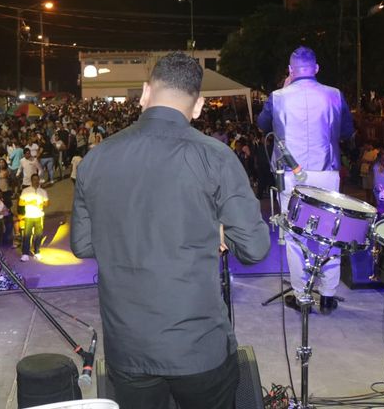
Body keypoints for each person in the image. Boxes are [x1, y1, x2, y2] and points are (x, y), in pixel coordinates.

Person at [71, 52, 270, 409]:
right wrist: (219, 232)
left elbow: (83, 244)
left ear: (145, 93)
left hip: (127, 346)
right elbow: (254, 247)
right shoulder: (215, 156)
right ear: (199, 106)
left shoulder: (96, 159)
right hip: (197, 346)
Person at [256, 46, 354, 314]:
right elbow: (347, 131)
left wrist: (284, 89)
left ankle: (302, 296)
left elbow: (263, 125)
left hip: (291, 174)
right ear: (317, 68)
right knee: (330, 234)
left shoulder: (278, 97)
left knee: (294, 236)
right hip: (327, 171)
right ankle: (328, 294)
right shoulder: (335, 94)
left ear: (290, 70)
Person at [18, 173, 47, 262]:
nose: (36, 181)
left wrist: (43, 204)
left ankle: (37, 251)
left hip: (39, 216)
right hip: (29, 216)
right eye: (34, 179)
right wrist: (30, 202)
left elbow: (47, 202)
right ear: (31, 181)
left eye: (37, 179)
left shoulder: (43, 191)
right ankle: (25, 253)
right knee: (27, 235)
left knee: (39, 235)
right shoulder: (26, 191)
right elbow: (20, 203)